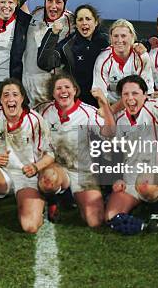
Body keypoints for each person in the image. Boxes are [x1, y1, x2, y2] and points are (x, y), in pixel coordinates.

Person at [0, 79, 54, 231]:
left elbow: (50, 154)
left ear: (22, 98)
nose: (10, 99)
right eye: (6, 95)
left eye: (15, 94)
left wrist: (36, 167)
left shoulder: (35, 120)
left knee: (30, 226)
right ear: (1, 99)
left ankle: (38, 200)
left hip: (27, 177)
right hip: (4, 175)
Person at [35, 73, 115, 227]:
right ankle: (53, 200)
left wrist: (104, 104)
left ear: (75, 90)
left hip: (82, 171)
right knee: (48, 181)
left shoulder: (88, 112)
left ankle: (72, 197)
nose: (63, 91)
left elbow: (110, 133)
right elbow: (22, 116)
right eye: (58, 88)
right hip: (57, 168)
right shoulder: (43, 111)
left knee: (95, 221)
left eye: (67, 87)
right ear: (52, 93)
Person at [104, 75, 158, 231]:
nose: (130, 98)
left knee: (145, 185)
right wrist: (117, 177)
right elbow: (117, 151)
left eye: (135, 93)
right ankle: (143, 223)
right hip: (131, 176)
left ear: (145, 94)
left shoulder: (156, 109)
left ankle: (155, 209)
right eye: (125, 94)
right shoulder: (119, 119)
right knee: (111, 216)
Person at [37, 4, 110, 107]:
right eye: (80, 19)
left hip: (104, 104)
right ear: (75, 23)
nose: (84, 22)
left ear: (96, 22)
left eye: (88, 19)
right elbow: (44, 63)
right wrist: (53, 34)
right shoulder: (67, 45)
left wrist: (138, 47)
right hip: (77, 106)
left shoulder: (107, 42)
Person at [22, 0, 75, 107]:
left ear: (65, 4)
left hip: (49, 86)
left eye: (58, 2)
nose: (53, 6)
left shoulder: (71, 21)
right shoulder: (37, 13)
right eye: (50, 1)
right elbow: (22, 9)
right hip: (27, 82)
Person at [93, 19, 154, 106]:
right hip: (111, 106)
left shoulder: (141, 56)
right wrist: (109, 114)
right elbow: (100, 96)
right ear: (110, 37)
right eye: (116, 36)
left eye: (123, 36)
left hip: (137, 105)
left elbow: (146, 93)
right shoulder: (102, 60)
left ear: (132, 37)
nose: (119, 40)